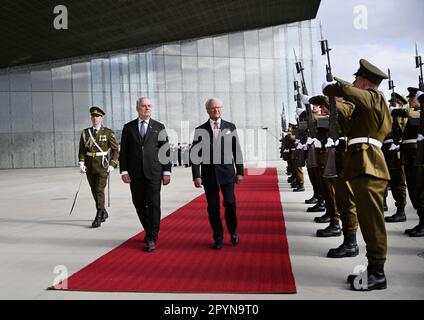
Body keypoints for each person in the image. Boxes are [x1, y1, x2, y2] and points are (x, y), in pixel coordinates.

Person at [323, 59, 392, 291]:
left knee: (372, 221)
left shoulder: (375, 98)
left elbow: (349, 92)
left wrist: (339, 84)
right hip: (360, 164)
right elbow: (344, 106)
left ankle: (378, 273)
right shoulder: (365, 105)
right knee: (365, 218)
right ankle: (373, 268)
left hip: (369, 163)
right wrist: (329, 95)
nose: (353, 82)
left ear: (364, 82)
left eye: (356, 79)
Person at [119, 97, 172, 252]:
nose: (147, 108)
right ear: (137, 108)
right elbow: (124, 152)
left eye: (149, 105)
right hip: (135, 174)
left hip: (154, 173)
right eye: (144, 105)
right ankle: (150, 230)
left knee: (154, 205)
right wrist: (124, 170)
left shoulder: (159, 126)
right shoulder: (128, 128)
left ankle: (151, 236)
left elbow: (165, 151)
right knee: (139, 204)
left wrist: (167, 171)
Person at [191, 98, 244, 250]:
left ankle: (233, 231)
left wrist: (240, 171)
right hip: (209, 175)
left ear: (222, 109)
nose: (216, 110)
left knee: (230, 204)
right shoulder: (200, 130)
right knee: (213, 207)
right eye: (213, 108)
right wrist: (196, 175)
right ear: (207, 110)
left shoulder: (230, 127)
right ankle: (218, 237)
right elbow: (195, 155)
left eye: (219, 107)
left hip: (227, 173)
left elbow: (237, 150)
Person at [78, 106, 119, 228]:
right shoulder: (85, 133)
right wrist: (81, 162)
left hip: (102, 166)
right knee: (93, 190)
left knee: (99, 190)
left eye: (97, 116)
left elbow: (116, 150)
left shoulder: (108, 132)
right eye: (93, 116)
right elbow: (82, 150)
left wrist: (112, 164)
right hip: (90, 166)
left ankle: (99, 214)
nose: (95, 118)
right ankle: (103, 211)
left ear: (101, 118)